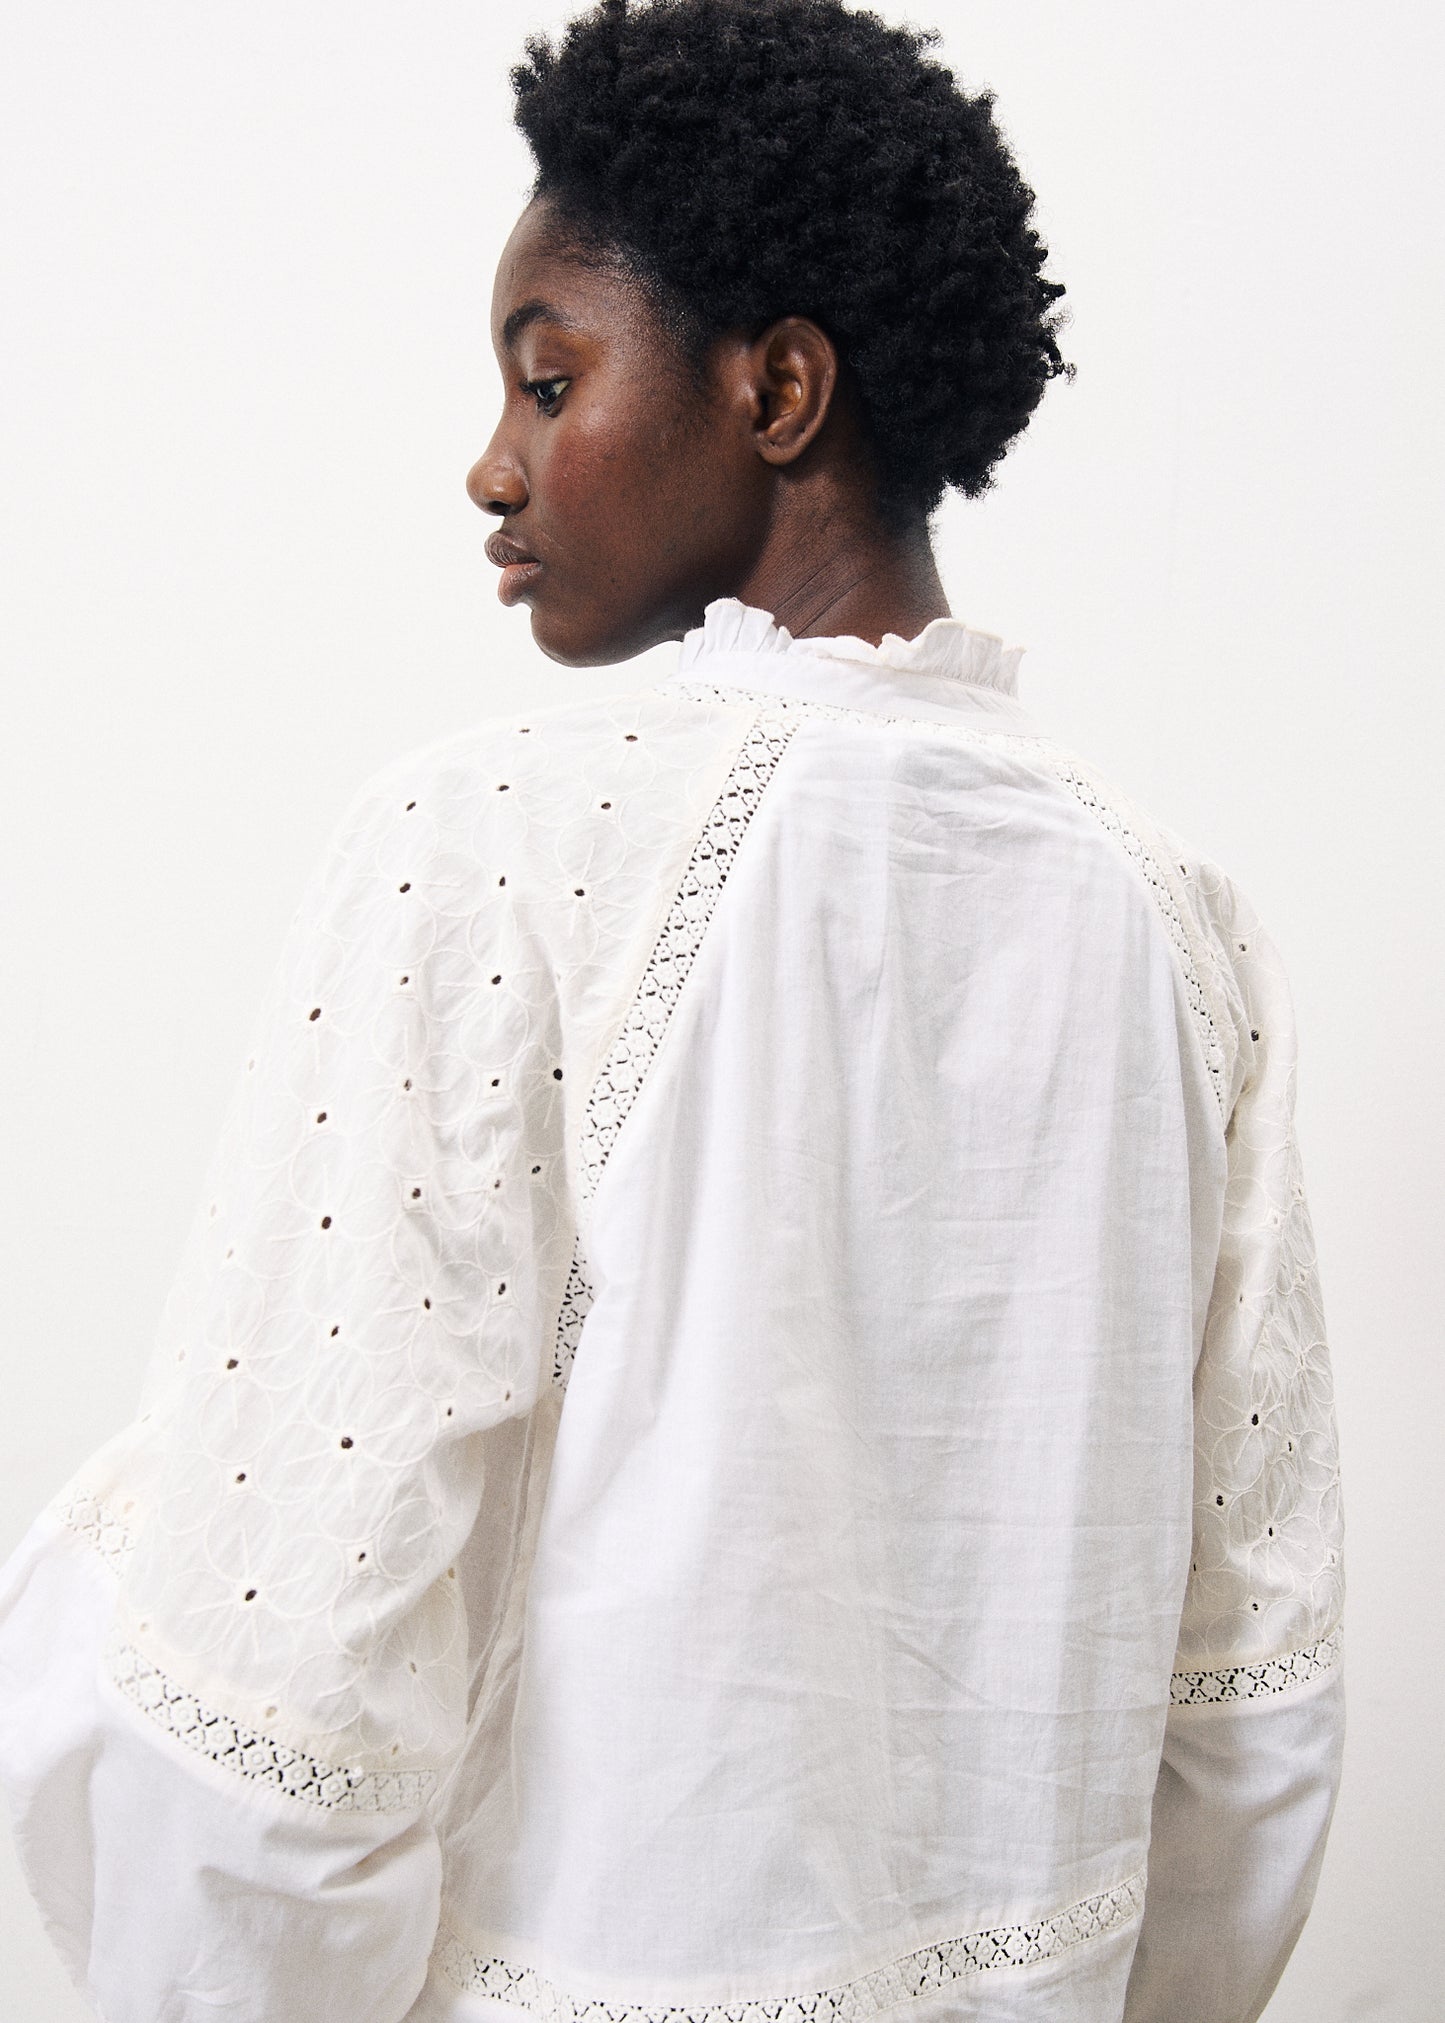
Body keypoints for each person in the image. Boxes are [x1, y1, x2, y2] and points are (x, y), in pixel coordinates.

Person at [0, 2, 1344, 2019]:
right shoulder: (1181, 931)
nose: (493, 464)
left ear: (777, 389)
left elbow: (286, 1672)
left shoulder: (496, 848)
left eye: (549, 379)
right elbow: (1247, 1705)